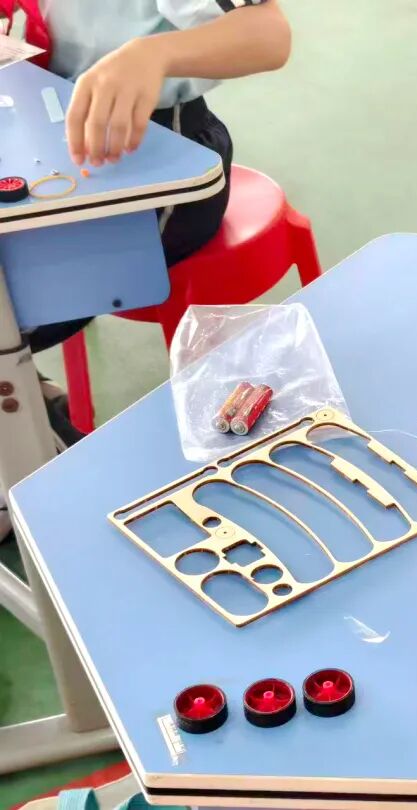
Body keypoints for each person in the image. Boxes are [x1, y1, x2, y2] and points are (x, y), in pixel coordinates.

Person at [0, 0, 290, 536]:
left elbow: (269, 35)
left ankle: (29, 450)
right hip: (44, 128)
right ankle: (29, 409)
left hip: (158, 163)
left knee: (13, 310)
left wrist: (152, 54)